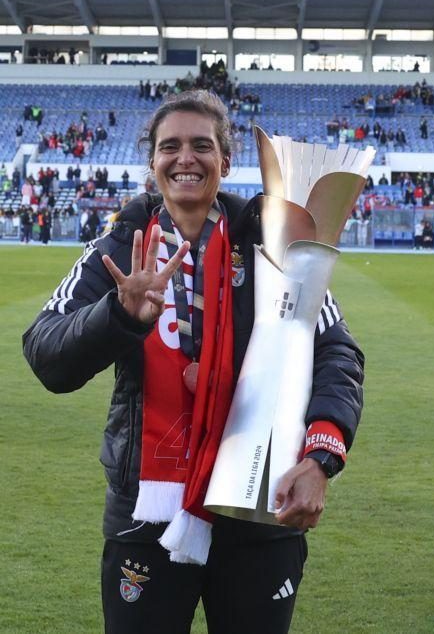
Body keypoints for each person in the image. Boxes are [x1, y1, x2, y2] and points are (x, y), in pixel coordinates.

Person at [22, 90, 365, 634]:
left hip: (258, 508)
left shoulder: (276, 247)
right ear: (152, 161)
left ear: (225, 162)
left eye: (202, 146)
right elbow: (45, 352)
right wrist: (119, 313)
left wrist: (321, 456)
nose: (186, 158)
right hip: (148, 517)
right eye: (170, 146)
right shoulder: (117, 247)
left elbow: (337, 352)